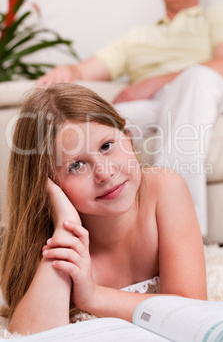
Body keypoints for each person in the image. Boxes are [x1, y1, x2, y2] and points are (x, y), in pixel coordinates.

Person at [36, 0, 223, 235]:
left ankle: (179, 231)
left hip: (210, 96)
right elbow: (85, 70)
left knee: (195, 78)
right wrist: (67, 74)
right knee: (101, 122)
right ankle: (69, 231)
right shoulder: (137, 37)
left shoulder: (219, 15)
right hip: (156, 107)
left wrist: (154, 82)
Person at [0, 83, 206, 336]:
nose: (105, 173)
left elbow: (192, 310)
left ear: (128, 140)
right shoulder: (54, 241)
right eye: (76, 166)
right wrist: (65, 226)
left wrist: (94, 297)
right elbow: (31, 335)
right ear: (49, 185)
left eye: (107, 146)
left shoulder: (164, 188)